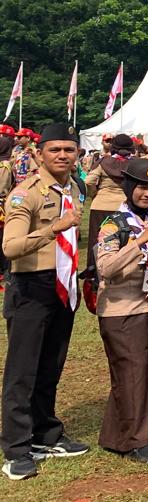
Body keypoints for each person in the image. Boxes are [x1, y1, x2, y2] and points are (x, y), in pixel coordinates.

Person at [1, 124, 90, 480]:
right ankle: (17, 448)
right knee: (22, 371)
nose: (63, 156)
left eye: (69, 150)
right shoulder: (26, 195)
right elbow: (10, 248)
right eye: (55, 150)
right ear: (39, 154)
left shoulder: (74, 189)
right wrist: (53, 227)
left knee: (51, 365)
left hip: (61, 284)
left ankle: (45, 433)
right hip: (31, 287)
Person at [95, 158, 148, 463]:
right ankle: (134, 439)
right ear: (129, 187)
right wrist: (137, 243)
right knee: (130, 374)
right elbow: (105, 268)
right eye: (142, 187)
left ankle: (138, 432)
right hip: (121, 309)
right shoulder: (114, 224)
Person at [85, 133, 132, 246]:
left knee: (97, 241)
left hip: (101, 205)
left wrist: (94, 194)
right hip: (124, 206)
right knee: (122, 241)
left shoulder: (103, 162)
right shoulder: (134, 164)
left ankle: (94, 264)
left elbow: (88, 181)